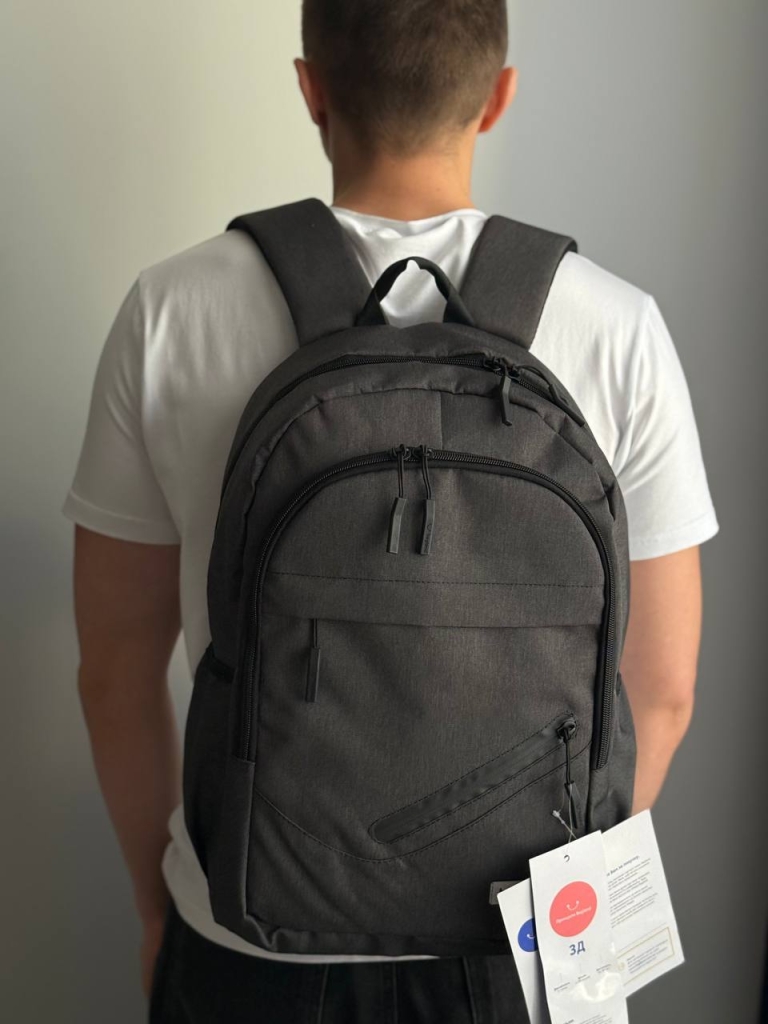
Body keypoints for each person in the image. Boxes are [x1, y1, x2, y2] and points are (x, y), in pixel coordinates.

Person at [63, 1, 719, 1020]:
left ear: (311, 88)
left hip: (248, 938)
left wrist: (163, 909)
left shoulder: (173, 308)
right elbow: (663, 690)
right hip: (527, 948)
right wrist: (571, 928)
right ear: (497, 96)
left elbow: (113, 671)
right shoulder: (617, 326)